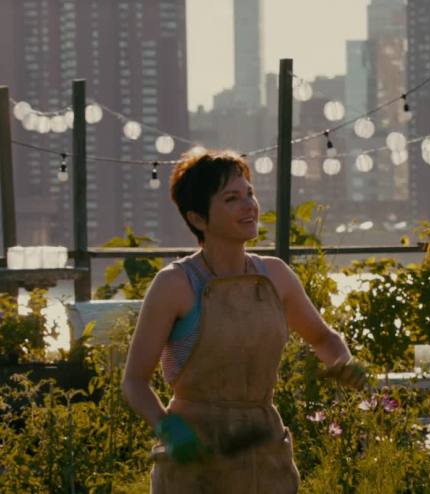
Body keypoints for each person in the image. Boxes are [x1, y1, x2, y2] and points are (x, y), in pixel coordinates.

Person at [121, 150, 367, 493]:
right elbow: (134, 381)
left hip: (265, 457)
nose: (248, 205)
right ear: (198, 219)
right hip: (196, 464)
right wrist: (169, 428)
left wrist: (343, 363)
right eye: (231, 199)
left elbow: (323, 339)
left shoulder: (275, 276)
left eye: (249, 193)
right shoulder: (176, 284)